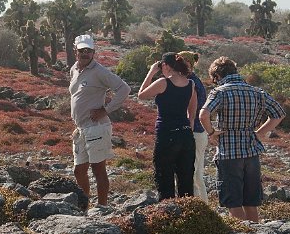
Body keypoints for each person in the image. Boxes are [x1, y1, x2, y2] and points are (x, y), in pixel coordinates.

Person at [199, 56, 285, 222]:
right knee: (251, 201)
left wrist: (211, 133)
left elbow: (204, 115)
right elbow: (279, 114)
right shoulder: (257, 92)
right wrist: (259, 133)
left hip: (229, 153)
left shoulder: (220, 92)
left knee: (233, 201)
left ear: (217, 76)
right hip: (251, 152)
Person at [69, 34, 130, 207]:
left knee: (98, 169)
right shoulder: (74, 69)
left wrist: (106, 110)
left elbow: (124, 89)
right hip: (80, 128)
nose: (85, 54)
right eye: (82, 50)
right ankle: (84, 207)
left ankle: (102, 207)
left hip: (96, 127)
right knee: (79, 170)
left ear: (94, 52)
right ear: (75, 51)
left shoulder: (99, 71)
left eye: (89, 51)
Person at [138, 52, 198, 200]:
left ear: (165, 65)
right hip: (185, 135)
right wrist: (189, 126)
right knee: (186, 179)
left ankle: (168, 213)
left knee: (164, 177)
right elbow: (192, 110)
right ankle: (187, 214)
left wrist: (152, 71)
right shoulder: (190, 84)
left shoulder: (163, 83)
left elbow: (141, 95)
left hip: (166, 133)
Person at [178, 51, 209, 200]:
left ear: (187, 64)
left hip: (193, 132)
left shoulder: (190, 83)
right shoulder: (195, 81)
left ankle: (198, 209)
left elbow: (190, 109)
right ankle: (202, 208)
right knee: (196, 174)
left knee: (191, 173)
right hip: (199, 132)